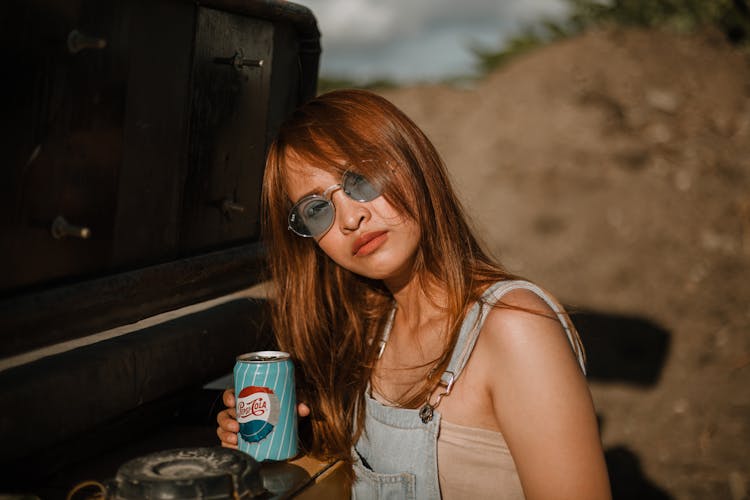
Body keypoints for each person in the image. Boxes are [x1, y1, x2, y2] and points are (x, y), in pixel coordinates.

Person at [216, 89, 611, 499]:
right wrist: (283, 432)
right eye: (316, 209)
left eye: (361, 180)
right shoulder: (371, 333)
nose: (351, 217)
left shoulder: (515, 327)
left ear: (412, 162)